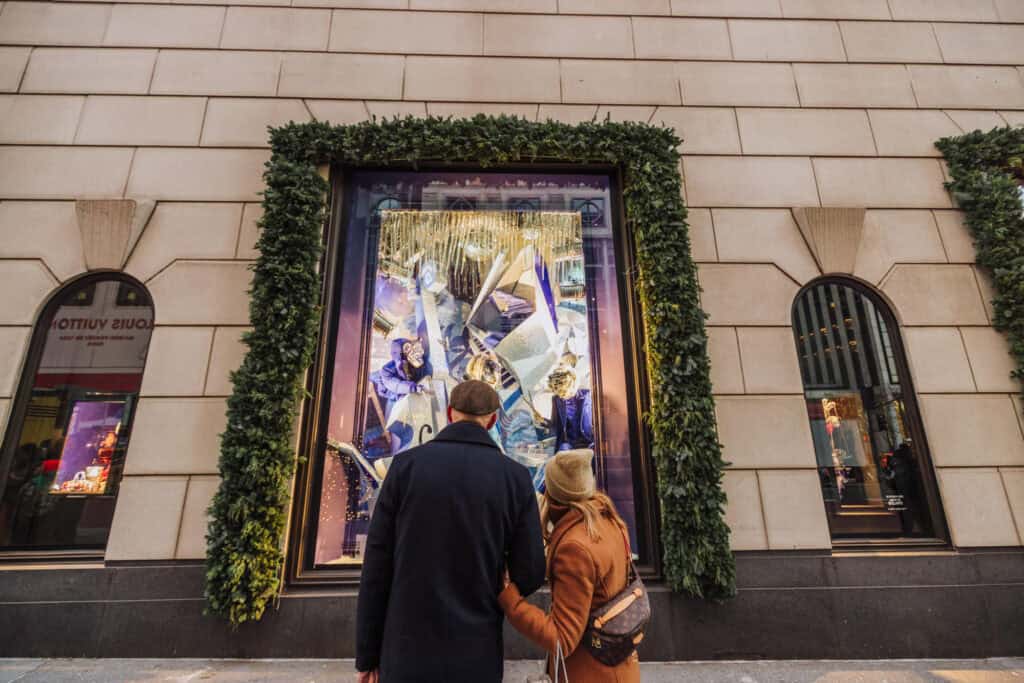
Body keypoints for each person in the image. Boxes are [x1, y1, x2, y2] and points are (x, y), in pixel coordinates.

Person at [355, 380, 546, 683]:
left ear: (449, 413)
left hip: (405, 651)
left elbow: (377, 568)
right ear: (493, 420)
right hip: (476, 653)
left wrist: (367, 655)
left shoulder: (404, 468)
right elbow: (532, 571)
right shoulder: (516, 478)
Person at [498, 449, 641, 683]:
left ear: (553, 492)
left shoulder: (575, 548)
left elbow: (561, 638)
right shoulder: (609, 521)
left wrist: (511, 601)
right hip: (619, 668)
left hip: (591, 673)